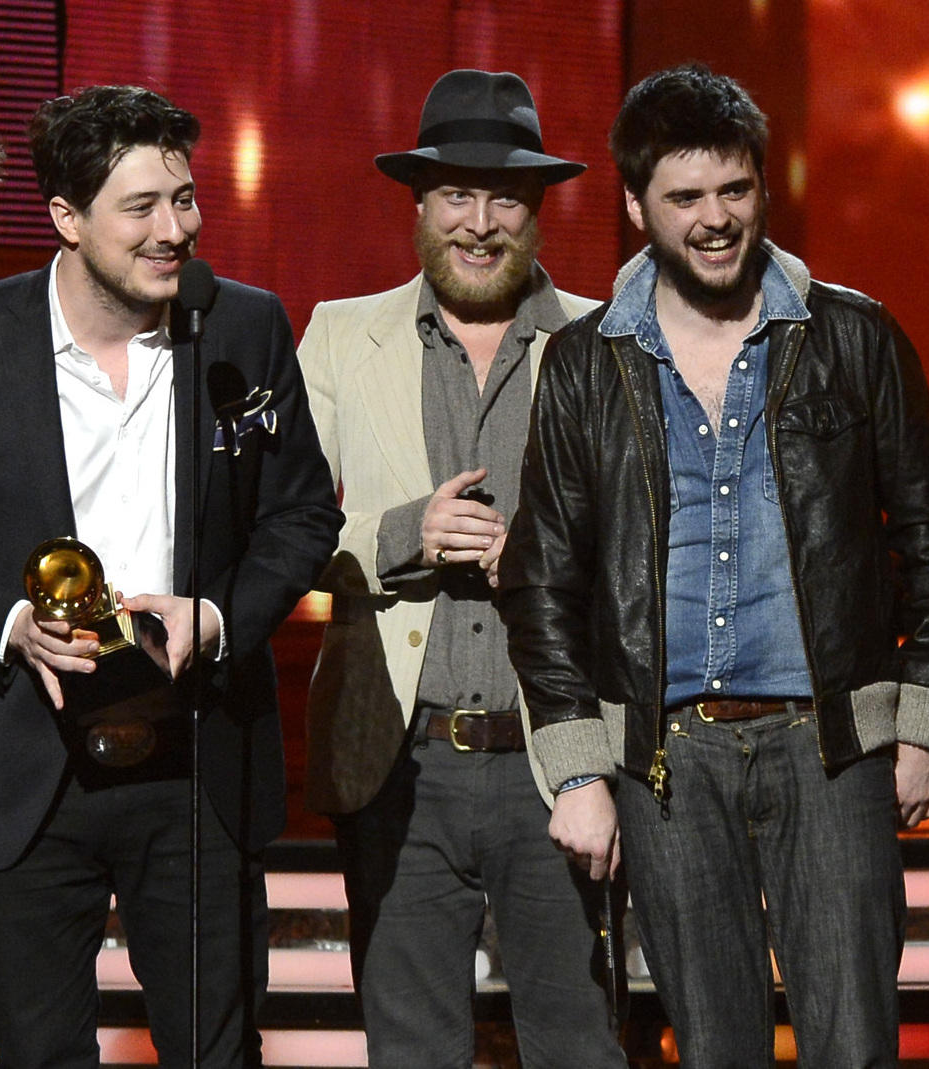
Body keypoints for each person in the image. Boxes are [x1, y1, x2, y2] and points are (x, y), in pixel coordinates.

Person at [0, 84, 340, 1069]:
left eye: (184, 200)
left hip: (195, 764)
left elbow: (300, 514)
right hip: (23, 767)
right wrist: (9, 623)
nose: (174, 230)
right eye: (141, 208)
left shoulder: (242, 329)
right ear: (66, 220)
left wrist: (217, 616)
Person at [499, 64, 929, 1067]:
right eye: (684, 197)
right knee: (712, 1044)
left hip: (830, 749)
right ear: (636, 207)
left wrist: (925, 725)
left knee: (853, 1043)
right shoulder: (585, 363)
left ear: (761, 189)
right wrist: (580, 767)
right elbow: (542, 579)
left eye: (733, 190)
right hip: (667, 763)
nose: (714, 219)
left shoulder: (851, 336)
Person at [296, 69, 627, 1069]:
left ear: (535, 209)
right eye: (455, 194)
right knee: (409, 1049)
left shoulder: (606, 342)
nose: (478, 222)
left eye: (504, 198)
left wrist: (526, 546)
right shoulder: (337, 335)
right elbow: (286, 529)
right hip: (400, 760)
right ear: (418, 202)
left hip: (559, 758)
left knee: (580, 1045)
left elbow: (647, 545)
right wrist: (403, 533)